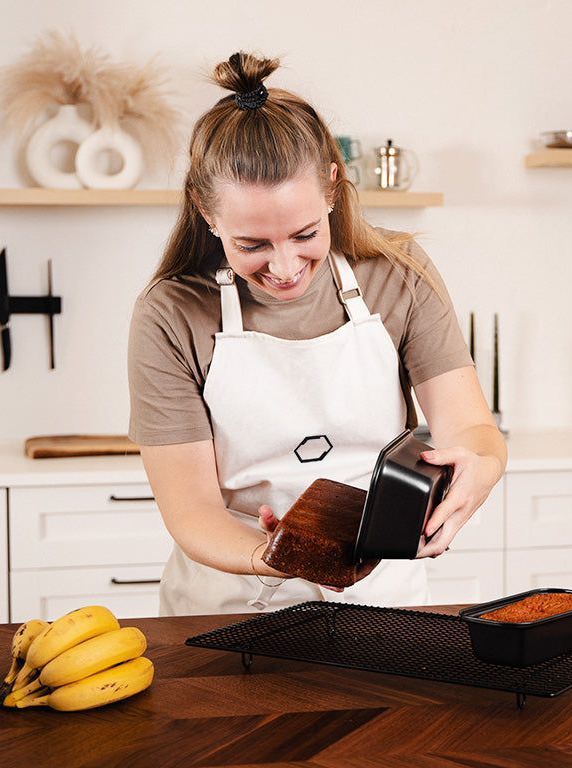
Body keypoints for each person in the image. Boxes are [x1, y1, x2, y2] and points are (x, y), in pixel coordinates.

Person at [127, 51, 507, 616]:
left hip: (381, 598)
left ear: (332, 187)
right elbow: (192, 513)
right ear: (206, 213)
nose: (284, 267)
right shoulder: (172, 313)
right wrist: (276, 554)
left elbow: (472, 428)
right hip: (232, 602)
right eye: (252, 245)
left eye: (305, 233)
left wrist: (480, 468)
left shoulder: (399, 274)